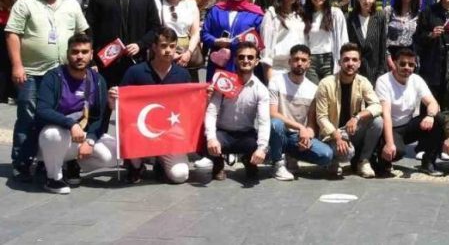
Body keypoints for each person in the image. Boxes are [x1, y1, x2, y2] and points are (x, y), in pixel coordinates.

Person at [6, 0, 89, 181]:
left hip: (63, 75)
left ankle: (48, 161)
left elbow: (82, 34)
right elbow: (13, 34)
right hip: (31, 72)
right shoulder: (25, 3)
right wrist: (17, 65)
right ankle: (22, 161)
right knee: (28, 116)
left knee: (57, 118)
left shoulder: (71, 4)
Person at [34, 34, 117, 194]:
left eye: (85, 52)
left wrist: (91, 140)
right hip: (53, 136)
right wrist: (70, 124)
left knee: (114, 154)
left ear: (91, 54)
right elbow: (42, 110)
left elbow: (98, 117)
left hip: (81, 134)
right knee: (53, 135)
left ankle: (73, 163)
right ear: (67, 54)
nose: (80, 56)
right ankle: (53, 177)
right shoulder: (54, 77)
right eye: (75, 52)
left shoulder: (98, 80)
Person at [115, 28, 193, 184]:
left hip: (170, 132)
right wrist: (113, 98)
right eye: (163, 46)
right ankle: (135, 165)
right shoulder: (135, 72)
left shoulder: (183, 75)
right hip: (140, 130)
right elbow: (120, 105)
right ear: (154, 47)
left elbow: (190, 107)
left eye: (172, 46)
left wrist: (205, 96)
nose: (168, 51)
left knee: (181, 175)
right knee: (130, 130)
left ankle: (160, 162)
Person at [85, 0, 161, 87]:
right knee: (105, 106)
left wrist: (140, 44)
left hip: (136, 63)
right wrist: (91, 59)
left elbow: (155, 27)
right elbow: (89, 28)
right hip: (106, 64)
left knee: (134, 106)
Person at [203, 42, 270, 183]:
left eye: (250, 57)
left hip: (245, 135)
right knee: (202, 140)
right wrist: (211, 138)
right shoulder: (223, 82)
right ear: (235, 60)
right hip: (222, 133)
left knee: (263, 146)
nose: (246, 60)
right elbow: (211, 112)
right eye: (241, 57)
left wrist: (262, 149)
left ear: (257, 62)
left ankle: (249, 160)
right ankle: (218, 161)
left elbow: (264, 121)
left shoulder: (261, 89)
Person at [314, 43, 383, 179]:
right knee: (347, 153)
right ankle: (333, 160)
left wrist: (357, 118)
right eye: (346, 59)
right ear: (339, 62)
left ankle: (363, 161)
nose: (350, 63)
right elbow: (321, 117)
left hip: (351, 130)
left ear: (359, 63)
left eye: (354, 60)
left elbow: (377, 105)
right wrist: (337, 136)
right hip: (331, 134)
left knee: (378, 121)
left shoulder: (363, 81)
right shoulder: (326, 83)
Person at [267, 44, 334, 181]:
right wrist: (300, 127)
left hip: (296, 137)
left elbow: (311, 123)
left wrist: (308, 136)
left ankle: (292, 156)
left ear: (309, 63)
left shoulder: (314, 89)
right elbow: (272, 113)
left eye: (303, 60)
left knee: (326, 155)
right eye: (296, 59)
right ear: (289, 62)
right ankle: (277, 163)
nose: (299, 63)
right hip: (277, 133)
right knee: (276, 124)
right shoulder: (276, 81)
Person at [375, 47, 445, 176]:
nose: (407, 67)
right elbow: (386, 115)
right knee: (397, 152)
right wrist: (390, 144)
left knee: (439, 118)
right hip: (389, 128)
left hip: (407, 126)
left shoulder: (416, 79)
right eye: (402, 64)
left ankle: (428, 162)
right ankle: (381, 155)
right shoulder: (384, 81)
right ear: (395, 63)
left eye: (411, 64)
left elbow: (433, 103)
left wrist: (429, 116)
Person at [201, 0, 265, 80]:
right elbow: (204, 33)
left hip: (243, 64)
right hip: (218, 62)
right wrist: (216, 41)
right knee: (216, 94)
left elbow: (260, 41)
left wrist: (245, 43)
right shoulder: (217, 10)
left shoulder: (256, 14)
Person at [155, 0, 203, 80]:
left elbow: (195, 33)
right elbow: (155, 30)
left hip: (187, 52)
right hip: (165, 52)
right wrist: (171, 53)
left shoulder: (191, 4)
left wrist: (188, 53)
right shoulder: (158, 3)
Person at [301, 0, 348, 83]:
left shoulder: (335, 13)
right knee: (314, 93)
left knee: (329, 93)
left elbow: (343, 38)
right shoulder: (305, 15)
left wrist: (343, 60)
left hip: (330, 59)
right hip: (311, 60)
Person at [260, 0, 306, 77]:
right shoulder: (272, 15)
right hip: (278, 70)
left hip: (299, 69)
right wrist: (270, 80)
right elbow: (266, 50)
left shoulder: (299, 15)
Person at [1, 0, 33, 105]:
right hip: (18, 30)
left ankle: (2, 94)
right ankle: (15, 92)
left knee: (2, 63)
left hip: (2, 26)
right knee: (16, 60)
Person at [347, 0, 388, 84]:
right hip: (355, 70)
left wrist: (381, 72)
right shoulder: (350, 18)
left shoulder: (380, 17)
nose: (367, 1)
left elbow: (382, 46)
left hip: (374, 72)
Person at [386, 0, 421, 67]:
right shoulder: (389, 11)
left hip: (410, 61)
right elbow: (382, 38)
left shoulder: (419, 15)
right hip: (391, 58)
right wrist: (389, 60)